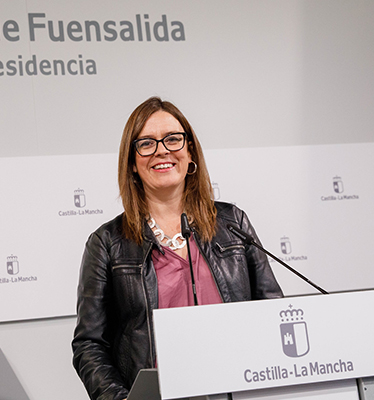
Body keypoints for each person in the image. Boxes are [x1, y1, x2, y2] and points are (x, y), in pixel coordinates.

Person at [72, 97, 283, 400]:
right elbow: (89, 344)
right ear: (132, 162)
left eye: (173, 139)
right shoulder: (108, 243)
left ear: (190, 150)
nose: (162, 150)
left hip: (239, 390)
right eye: (147, 143)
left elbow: (272, 313)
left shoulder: (233, 223)